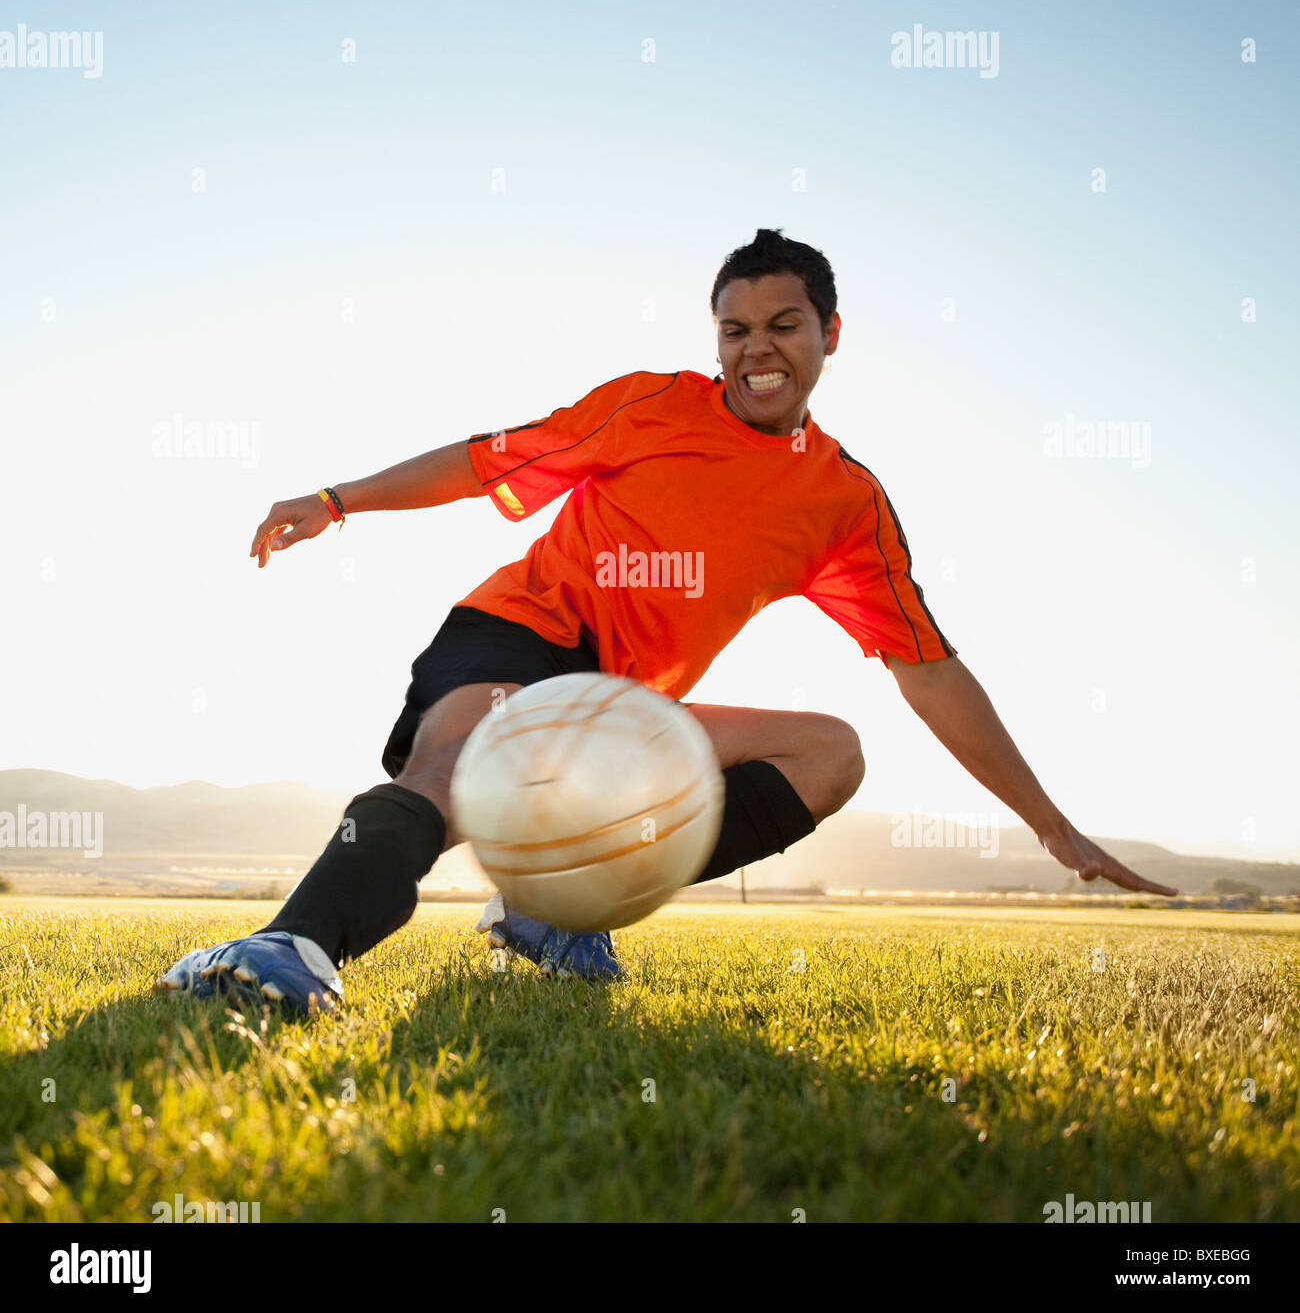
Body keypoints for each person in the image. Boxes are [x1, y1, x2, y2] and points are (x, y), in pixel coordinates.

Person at [158, 228, 1176, 1013]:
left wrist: (1050, 825)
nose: (756, 348)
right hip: (517, 633)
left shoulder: (842, 502)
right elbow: (485, 463)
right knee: (455, 771)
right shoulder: (648, 406)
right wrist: (337, 499)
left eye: (782, 323)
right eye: (735, 329)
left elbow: (930, 671)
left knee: (830, 754)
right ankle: (288, 949)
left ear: (829, 333)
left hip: (620, 715)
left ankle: (557, 906)